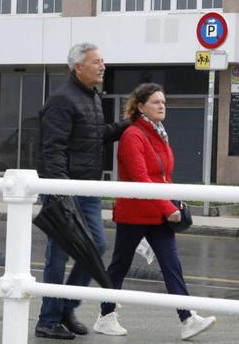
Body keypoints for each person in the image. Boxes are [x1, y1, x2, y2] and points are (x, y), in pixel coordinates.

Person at [94, 83, 216, 340]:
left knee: (172, 266)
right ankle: (105, 317)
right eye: (156, 102)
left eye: (163, 102)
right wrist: (167, 206)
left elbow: (163, 176)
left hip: (158, 212)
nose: (162, 106)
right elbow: (140, 178)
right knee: (119, 266)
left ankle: (188, 319)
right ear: (140, 107)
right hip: (135, 211)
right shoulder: (133, 135)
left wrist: (172, 202)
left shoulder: (159, 133)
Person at [35, 43, 125, 340]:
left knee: (96, 246)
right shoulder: (62, 100)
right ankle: (48, 320)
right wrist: (60, 190)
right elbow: (53, 148)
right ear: (78, 67)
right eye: (96, 62)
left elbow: (97, 136)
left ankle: (66, 308)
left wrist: (129, 125)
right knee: (58, 256)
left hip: (87, 188)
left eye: (103, 61)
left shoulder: (93, 98)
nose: (102, 66)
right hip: (64, 189)